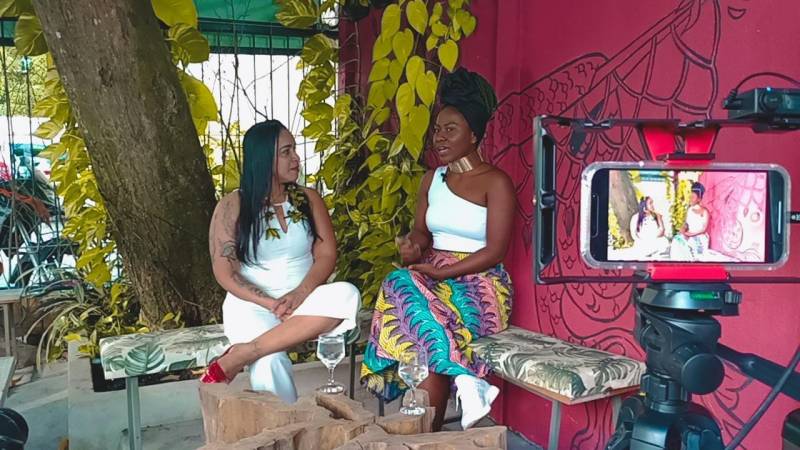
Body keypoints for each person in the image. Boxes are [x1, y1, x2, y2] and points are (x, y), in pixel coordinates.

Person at [360, 68, 516, 431]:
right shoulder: (432, 179)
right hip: (433, 278)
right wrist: (413, 247)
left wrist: (443, 271)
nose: (440, 137)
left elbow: (495, 251)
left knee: (423, 332)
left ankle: (425, 432)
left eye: (451, 129)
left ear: (474, 134)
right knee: (401, 287)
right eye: (437, 129)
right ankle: (467, 380)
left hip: (479, 284)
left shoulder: (496, 182)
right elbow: (421, 233)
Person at [202, 120, 360, 404]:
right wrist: (270, 303)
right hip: (252, 306)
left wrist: (299, 295)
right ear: (264, 159)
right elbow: (224, 271)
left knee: (347, 294)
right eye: (286, 152)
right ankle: (286, 424)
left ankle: (244, 353)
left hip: (304, 302)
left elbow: (326, 255)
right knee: (269, 361)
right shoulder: (233, 205)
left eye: (294, 150)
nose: (296, 158)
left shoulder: (308, 199)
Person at [670, 182, 710, 261]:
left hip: (699, 236)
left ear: (699, 199)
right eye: (690, 196)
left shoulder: (704, 211)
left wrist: (691, 234)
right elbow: (686, 224)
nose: (690, 199)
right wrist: (683, 229)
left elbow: (704, 229)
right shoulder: (689, 210)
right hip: (688, 235)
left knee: (692, 248)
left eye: (693, 197)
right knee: (676, 240)